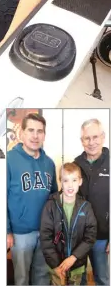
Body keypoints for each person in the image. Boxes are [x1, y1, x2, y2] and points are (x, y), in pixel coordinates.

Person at [7, 112, 58, 285]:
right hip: (20, 233)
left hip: (45, 232)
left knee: (42, 276)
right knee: (21, 278)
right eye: (31, 130)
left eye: (40, 131)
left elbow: (54, 198)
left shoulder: (49, 163)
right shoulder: (9, 160)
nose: (35, 136)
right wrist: (7, 231)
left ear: (44, 134)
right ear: (22, 133)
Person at [40, 162, 97, 285]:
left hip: (77, 265)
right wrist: (56, 265)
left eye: (74, 180)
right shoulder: (50, 205)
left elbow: (90, 237)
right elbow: (45, 238)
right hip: (56, 267)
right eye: (66, 180)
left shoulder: (86, 207)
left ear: (80, 182)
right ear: (60, 181)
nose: (70, 185)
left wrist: (73, 258)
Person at [74, 119, 109, 285]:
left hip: (102, 237)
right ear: (82, 141)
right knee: (77, 280)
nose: (92, 142)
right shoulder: (75, 165)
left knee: (102, 279)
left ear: (103, 137)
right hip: (78, 237)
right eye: (87, 138)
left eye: (95, 137)